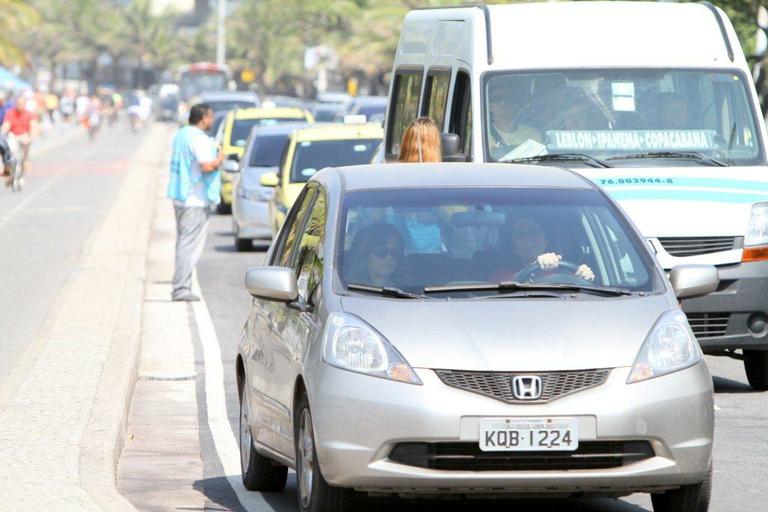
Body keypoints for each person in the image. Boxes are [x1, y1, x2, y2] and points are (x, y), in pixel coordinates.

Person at [167, 103, 225, 301]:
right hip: (194, 199)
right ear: (203, 118)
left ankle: (182, 285)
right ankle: (181, 288)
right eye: (211, 117)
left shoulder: (182, 134)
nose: (213, 120)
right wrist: (220, 159)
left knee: (183, 242)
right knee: (189, 245)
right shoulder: (198, 139)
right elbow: (207, 166)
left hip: (180, 196)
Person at [488, 217, 595, 282]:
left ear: (546, 240)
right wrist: (535, 266)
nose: (528, 238)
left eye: (533, 231)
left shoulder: (566, 273)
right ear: (513, 247)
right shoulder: (501, 275)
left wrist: (584, 276)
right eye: (520, 235)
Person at [487, 83, 541, 160]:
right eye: (498, 99)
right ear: (490, 106)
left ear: (514, 104)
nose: (503, 102)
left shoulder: (532, 134)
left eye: (507, 98)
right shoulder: (483, 136)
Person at [346, 222, 406, 287]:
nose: (389, 257)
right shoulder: (349, 288)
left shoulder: (411, 290)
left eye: (395, 251)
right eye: (381, 250)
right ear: (366, 254)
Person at [1, 95, 37, 172]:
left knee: (26, 142)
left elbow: (33, 126)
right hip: (13, 135)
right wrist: (2, 134)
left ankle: (26, 160)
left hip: (24, 135)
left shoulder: (29, 113)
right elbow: (6, 125)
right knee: (9, 149)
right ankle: (8, 170)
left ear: (24, 104)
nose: (19, 105)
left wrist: (31, 137)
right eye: (18, 103)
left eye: (21, 103)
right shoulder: (10, 113)